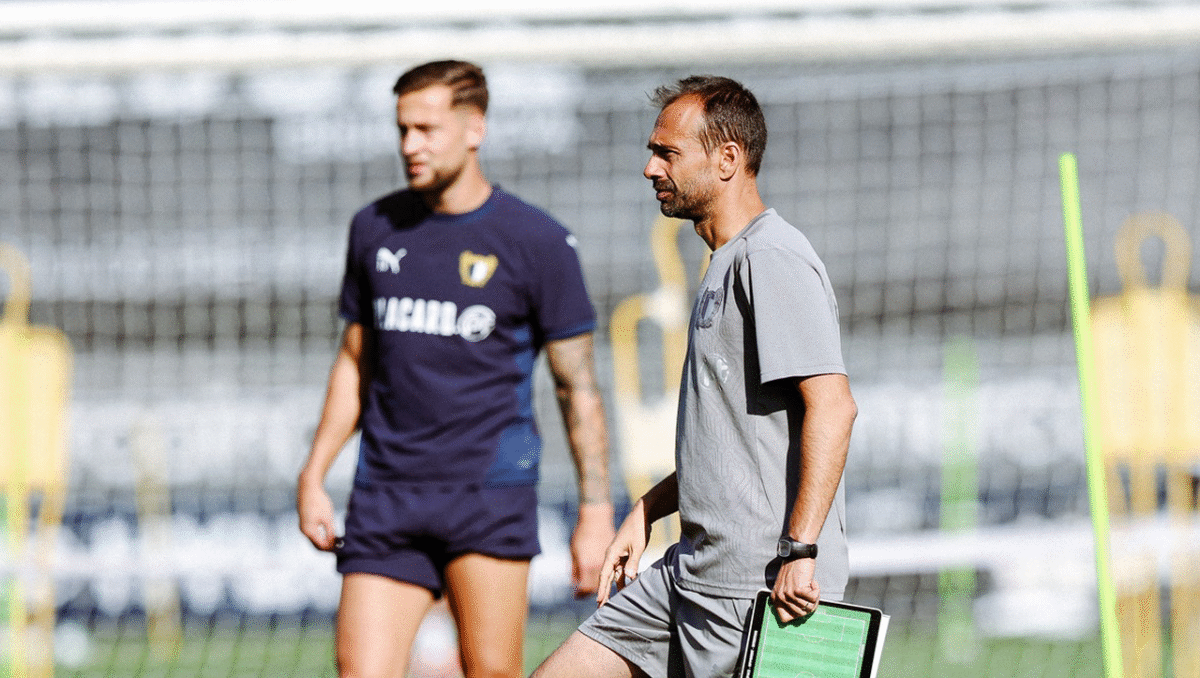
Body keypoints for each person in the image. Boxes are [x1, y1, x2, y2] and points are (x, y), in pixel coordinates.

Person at [531, 75, 857, 678]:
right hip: (689, 570)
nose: (650, 168)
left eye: (667, 152)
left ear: (728, 158)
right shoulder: (723, 261)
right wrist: (648, 508)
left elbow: (834, 409)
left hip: (760, 585)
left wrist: (802, 551)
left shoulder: (771, 259)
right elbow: (730, 442)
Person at [297, 60, 615, 678]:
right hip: (387, 496)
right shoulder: (373, 229)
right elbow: (355, 359)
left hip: (488, 498)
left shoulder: (537, 240)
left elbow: (577, 388)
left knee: (491, 672)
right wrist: (314, 473)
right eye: (402, 130)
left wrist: (595, 510)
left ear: (475, 128)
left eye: (427, 128)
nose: (410, 145)